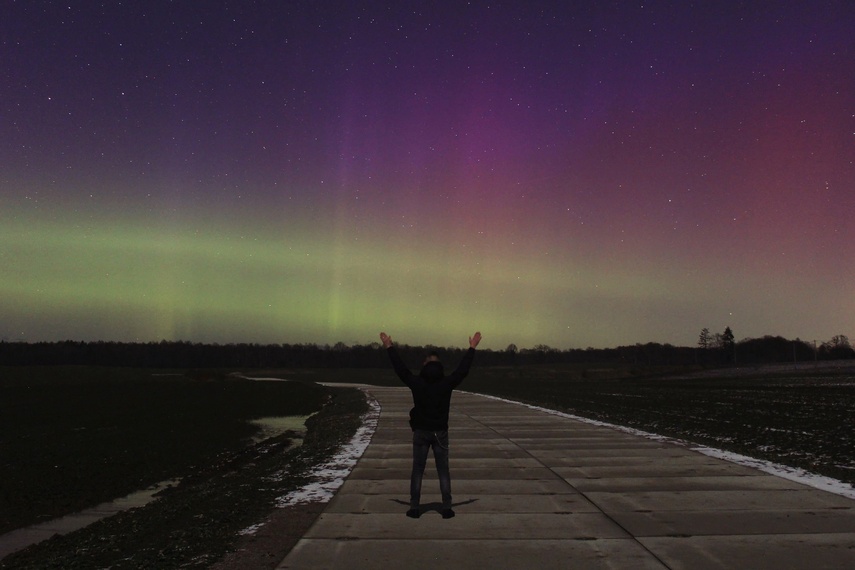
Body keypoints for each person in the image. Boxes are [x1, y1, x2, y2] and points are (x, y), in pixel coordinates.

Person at [379, 331, 482, 519]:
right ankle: (447, 508)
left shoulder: (417, 382)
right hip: (441, 433)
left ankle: (414, 508)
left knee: (418, 470)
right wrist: (472, 348)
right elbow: (462, 371)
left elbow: (401, 370)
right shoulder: (446, 383)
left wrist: (389, 346)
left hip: (421, 432)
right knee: (443, 470)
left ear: (425, 364)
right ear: (440, 366)